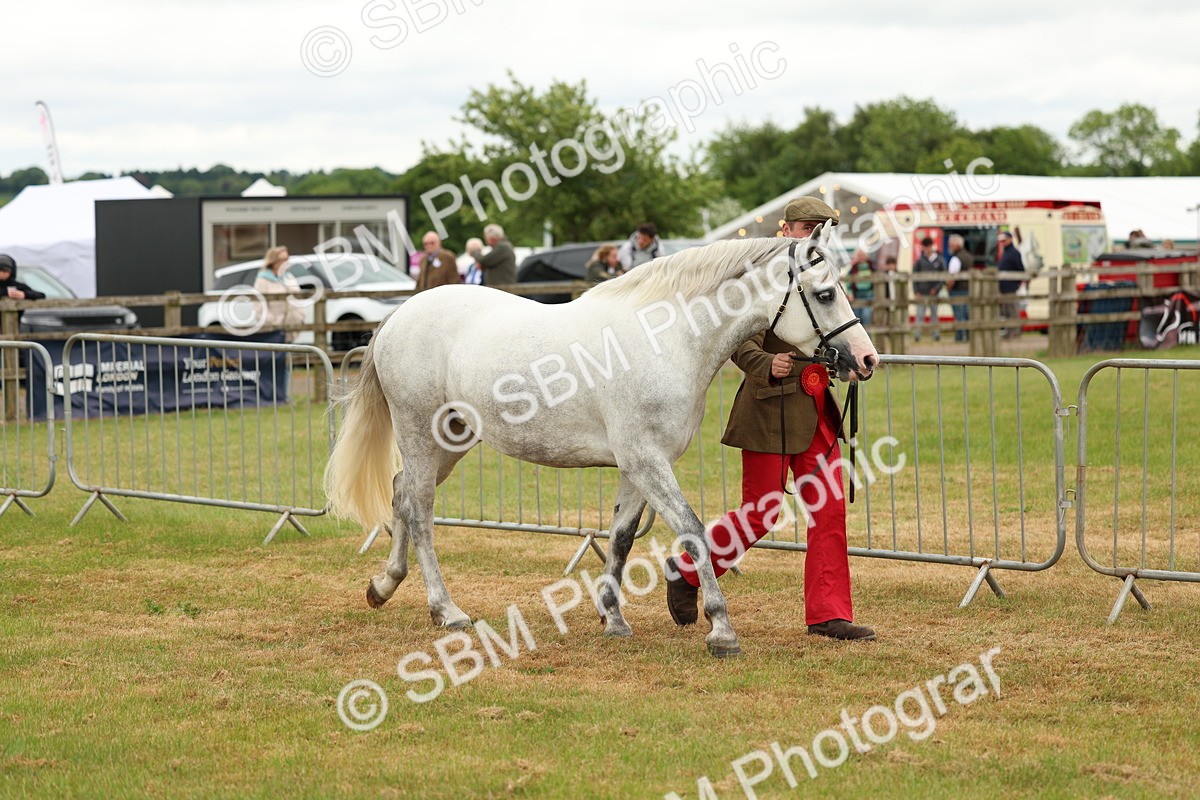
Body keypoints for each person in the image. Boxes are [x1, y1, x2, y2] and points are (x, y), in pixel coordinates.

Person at [663, 196, 876, 642]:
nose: (815, 234)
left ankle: (828, 614)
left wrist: (844, 357)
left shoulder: (817, 270)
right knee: (761, 513)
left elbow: (828, 327)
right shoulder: (756, 272)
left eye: (821, 227)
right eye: (808, 226)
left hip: (816, 407)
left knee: (830, 507)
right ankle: (687, 570)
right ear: (787, 227)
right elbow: (735, 340)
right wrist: (765, 362)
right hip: (767, 407)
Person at [253, 246, 305, 341]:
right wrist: (273, 322)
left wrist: (299, 317)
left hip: (291, 329)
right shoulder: (262, 280)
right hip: (271, 332)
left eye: (287, 259)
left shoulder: (289, 277)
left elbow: (298, 299)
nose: (287, 262)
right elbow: (258, 307)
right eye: (284, 259)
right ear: (275, 262)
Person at [912, 236, 945, 342]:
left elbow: (943, 276)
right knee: (920, 314)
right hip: (922, 291)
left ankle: (935, 334)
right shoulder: (919, 261)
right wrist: (916, 290)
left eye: (927, 246)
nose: (926, 249)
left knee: (934, 314)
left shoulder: (939, 260)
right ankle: (917, 334)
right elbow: (914, 277)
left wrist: (937, 288)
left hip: (934, 292)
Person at [945, 234, 974, 343]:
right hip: (967, 289)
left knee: (959, 314)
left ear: (957, 245)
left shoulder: (956, 258)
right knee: (966, 314)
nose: (950, 247)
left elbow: (952, 277)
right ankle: (967, 336)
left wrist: (948, 288)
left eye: (951, 245)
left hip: (957, 290)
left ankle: (960, 337)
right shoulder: (969, 257)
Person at [997, 230, 1025, 339]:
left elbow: (1020, 269)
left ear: (1010, 239)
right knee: (1007, 311)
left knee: (1012, 310)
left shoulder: (1014, 253)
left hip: (1010, 287)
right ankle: (1010, 331)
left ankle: (1015, 332)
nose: (1003, 242)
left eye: (1004, 240)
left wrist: (1017, 283)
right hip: (1004, 287)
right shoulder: (1006, 252)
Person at [845, 249, 874, 326]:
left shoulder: (872, 267)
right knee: (857, 317)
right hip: (857, 295)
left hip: (869, 295)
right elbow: (848, 281)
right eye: (859, 255)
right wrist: (850, 293)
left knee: (866, 316)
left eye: (863, 255)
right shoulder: (853, 268)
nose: (861, 257)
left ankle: (868, 336)